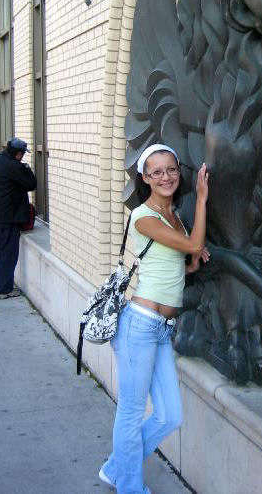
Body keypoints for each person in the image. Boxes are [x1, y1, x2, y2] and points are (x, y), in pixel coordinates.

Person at [99, 144, 210, 494]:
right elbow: (192, 245)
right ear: (145, 178)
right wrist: (202, 200)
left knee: (169, 416)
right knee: (131, 412)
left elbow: (179, 263)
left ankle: (116, 468)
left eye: (171, 169)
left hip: (163, 328)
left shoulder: (174, 216)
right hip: (140, 325)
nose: (166, 177)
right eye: (157, 172)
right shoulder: (142, 216)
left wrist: (192, 262)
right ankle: (130, 486)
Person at [0, 137, 37, 299]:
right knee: (7, 252)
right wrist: (27, 168)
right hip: (8, 217)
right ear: (18, 153)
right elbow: (31, 184)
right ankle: (3, 290)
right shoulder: (15, 167)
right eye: (23, 154)